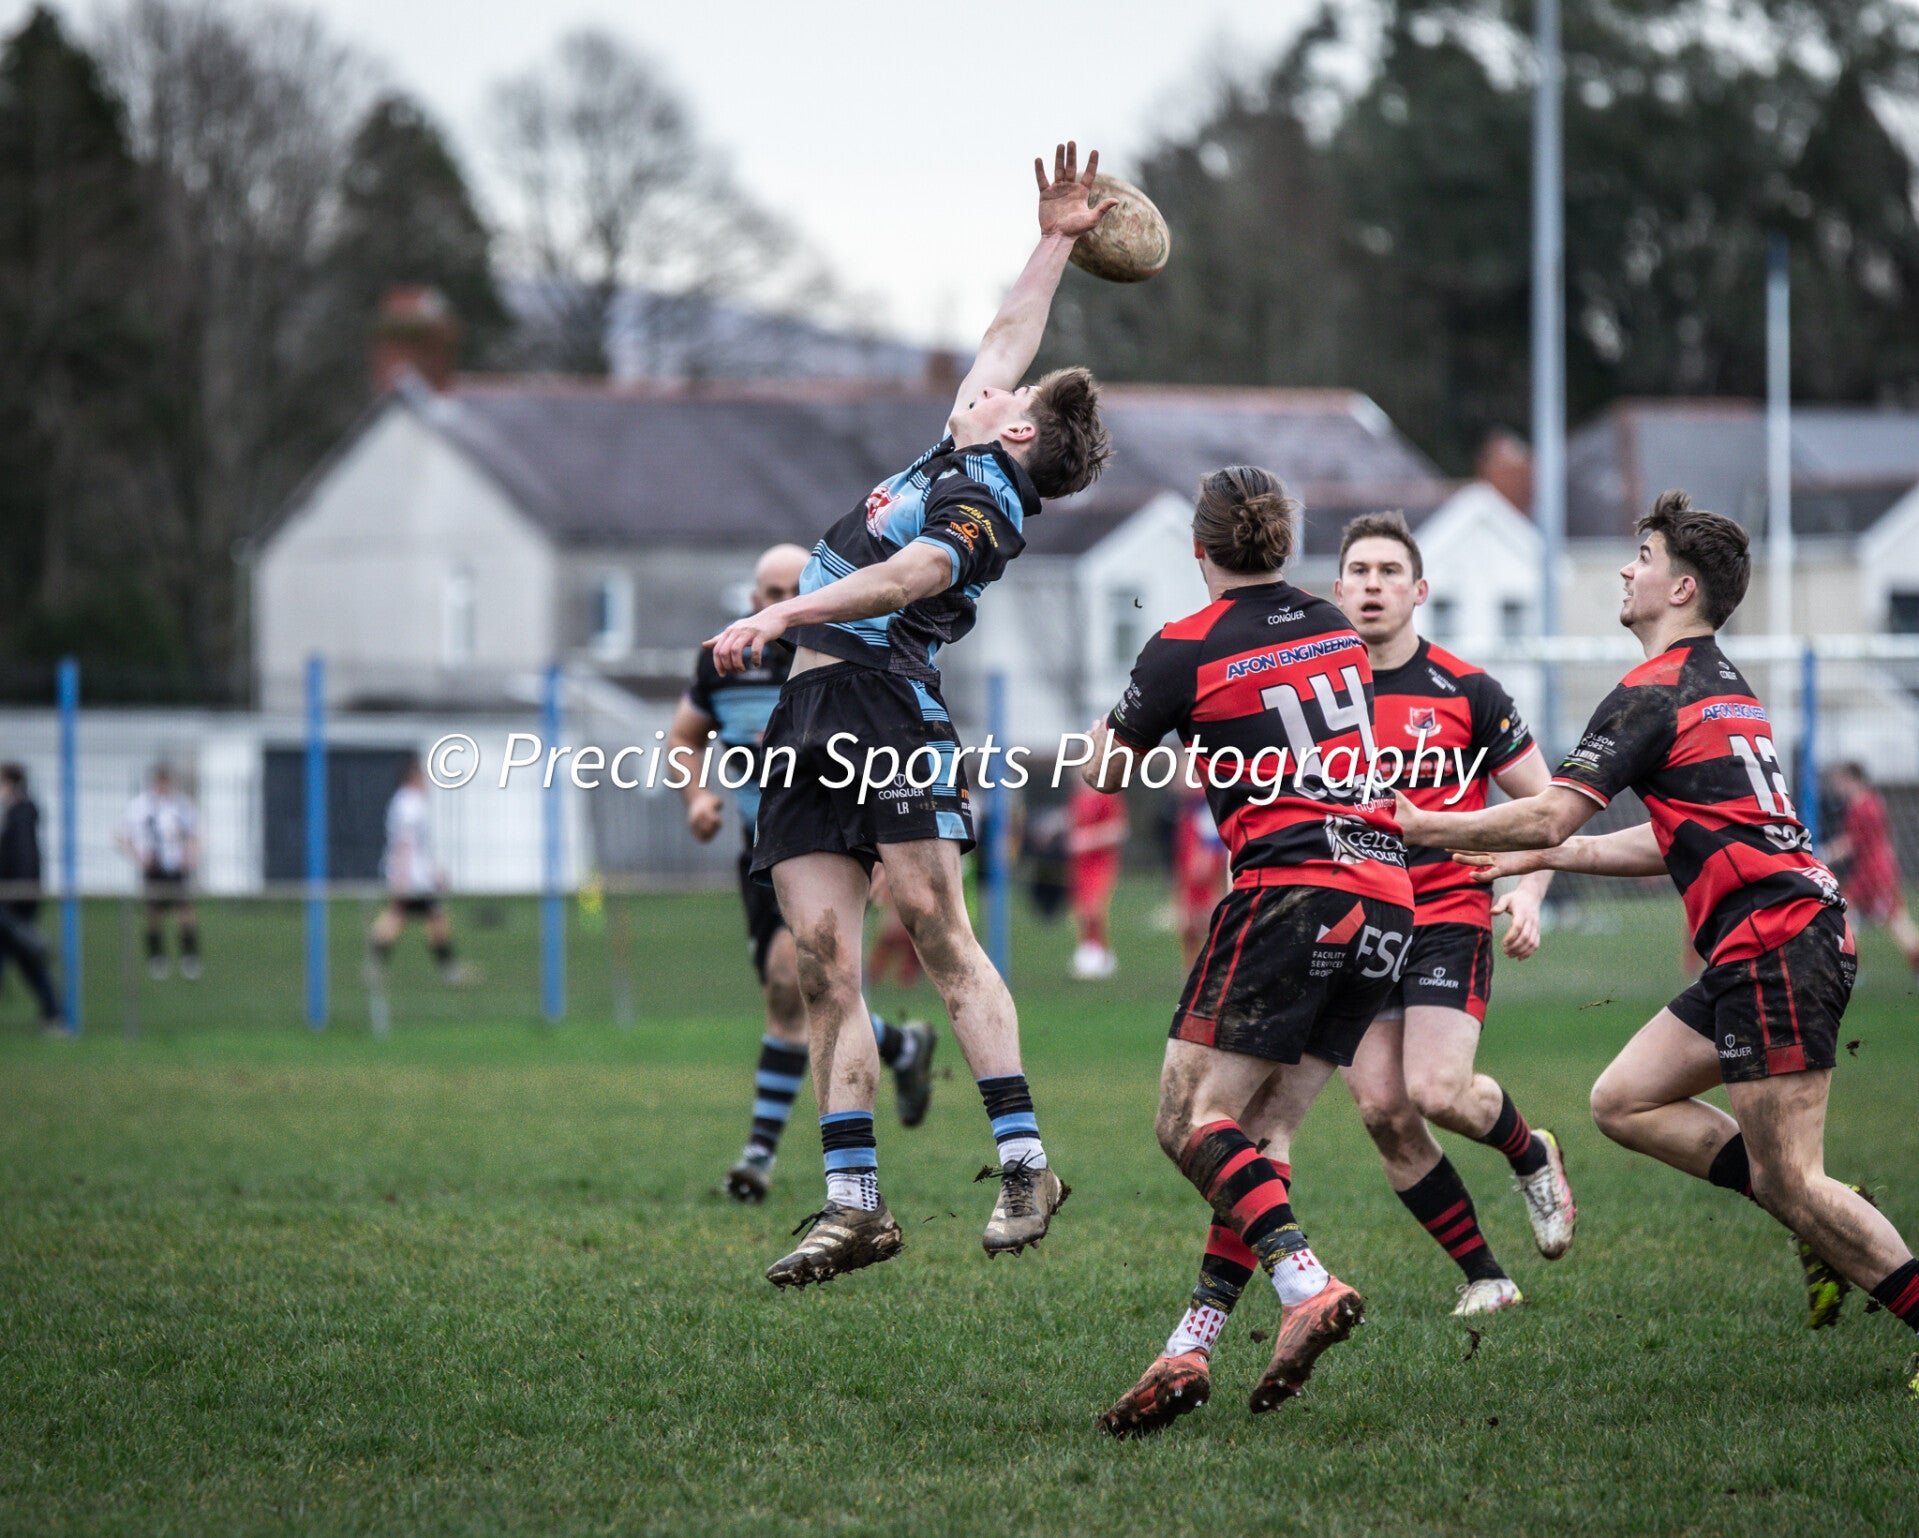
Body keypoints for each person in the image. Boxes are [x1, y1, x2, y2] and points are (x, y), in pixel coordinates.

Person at [707, 143, 1116, 1287]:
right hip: (805, 713)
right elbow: (1007, 335)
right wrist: (1059, 236)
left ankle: (1025, 1159)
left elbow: (900, 581)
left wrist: (783, 616)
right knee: (825, 959)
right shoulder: (957, 445)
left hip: (880, 702)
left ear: (1021, 434)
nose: (994, 384)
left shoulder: (986, 503)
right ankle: (852, 1207)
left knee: (936, 930)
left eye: (1014, 399)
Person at [1402, 492, 1919, 1394]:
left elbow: (1552, 801)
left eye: (1639, 556)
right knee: (1622, 1101)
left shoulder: (1650, 692)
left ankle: (1838, 1230)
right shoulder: (1719, 682)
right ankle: (1825, 1219)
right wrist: (1548, 849)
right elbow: (1667, 837)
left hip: (1778, 942)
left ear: (1679, 588)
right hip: (1758, 945)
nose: (1623, 569)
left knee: (1792, 1179)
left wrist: (1429, 827)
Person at [1090, 466, 1415, 1438]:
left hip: (1287, 891)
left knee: (1186, 1118)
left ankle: (1303, 1281)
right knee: (1256, 1139)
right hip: (1383, 895)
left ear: (1199, 552)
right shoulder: (1329, 622)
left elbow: (1110, 767)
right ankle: (1190, 1340)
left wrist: (1130, 726)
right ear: (1283, 545)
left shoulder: (1184, 645)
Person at [1331, 513, 1574, 1317]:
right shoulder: (1314, 698)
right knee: (1382, 1111)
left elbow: (1547, 810)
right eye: (1358, 571)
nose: (1371, 584)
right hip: (1354, 926)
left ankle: (1529, 1151)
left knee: (1435, 1090)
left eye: (1387, 572)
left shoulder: (1466, 692)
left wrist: (1529, 893)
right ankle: (1485, 1276)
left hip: (1446, 909)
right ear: (1337, 590)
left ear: (1418, 591)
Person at [671, 544, 935, 1205]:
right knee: (793, 995)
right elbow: (683, 737)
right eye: (765, 591)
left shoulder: (838, 658)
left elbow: (882, 755)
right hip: (755, 850)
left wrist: (884, 851)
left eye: (790, 589)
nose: (773, 602)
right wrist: (697, 796)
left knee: (797, 979)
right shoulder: (721, 660)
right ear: (753, 599)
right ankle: (902, 1046)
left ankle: (757, 1158)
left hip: (833, 850)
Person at [368, 757, 471, 989]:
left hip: (413, 874)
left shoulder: (402, 802)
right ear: (414, 777)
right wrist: (403, 877)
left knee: (401, 916)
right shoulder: (410, 804)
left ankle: (374, 966)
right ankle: (449, 970)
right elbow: (405, 843)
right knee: (430, 916)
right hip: (414, 878)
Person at [1821, 761, 1919, 973]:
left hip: (1871, 872)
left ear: (1852, 779)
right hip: (1877, 869)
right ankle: (1849, 965)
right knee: (1887, 918)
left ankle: (1848, 966)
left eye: (1841, 781)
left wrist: (1824, 853)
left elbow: (1850, 842)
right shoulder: (1875, 801)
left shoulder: (1860, 807)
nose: (1838, 787)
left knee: (1893, 920)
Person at [117, 765, 200, 980]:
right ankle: (157, 958)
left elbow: (195, 833)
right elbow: (122, 835)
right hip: (154, 869)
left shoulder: (181, 805)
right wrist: (138, 857)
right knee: (154, 915)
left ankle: (190, 958)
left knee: (185, 913)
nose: (164, 786)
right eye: (160, 782)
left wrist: (190, 856)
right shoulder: (140, 806)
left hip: (176, 868)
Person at [0, 764, 62, 1031]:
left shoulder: (21, 815)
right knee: (27, 957)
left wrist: (17, 894)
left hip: (14, 899)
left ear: (11, 784)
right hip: (15, 898)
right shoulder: (18, 814)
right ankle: (53, 1013)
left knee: (25, 954)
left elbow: (23, 860)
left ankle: (54, 1013)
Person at [1067, 779, 1127, 978]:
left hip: (1101, 862)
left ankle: (1103, 955)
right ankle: (1088, 953)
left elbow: (1118, 829)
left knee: (1095, 909)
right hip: (1079, 864)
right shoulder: (1078, 796)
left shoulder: (1108, 794)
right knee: (1083, 912)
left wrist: (1088, 839)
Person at [1169, 787, 1228, 969]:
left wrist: (1207, 855)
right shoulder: (1188, 801)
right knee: (1188, 922)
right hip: (1187, 856)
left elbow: (1212, 830)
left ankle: (1214, 970)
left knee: (1204, 919)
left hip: (1201, 862)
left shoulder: (1204, 795)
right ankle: (1193, 971)